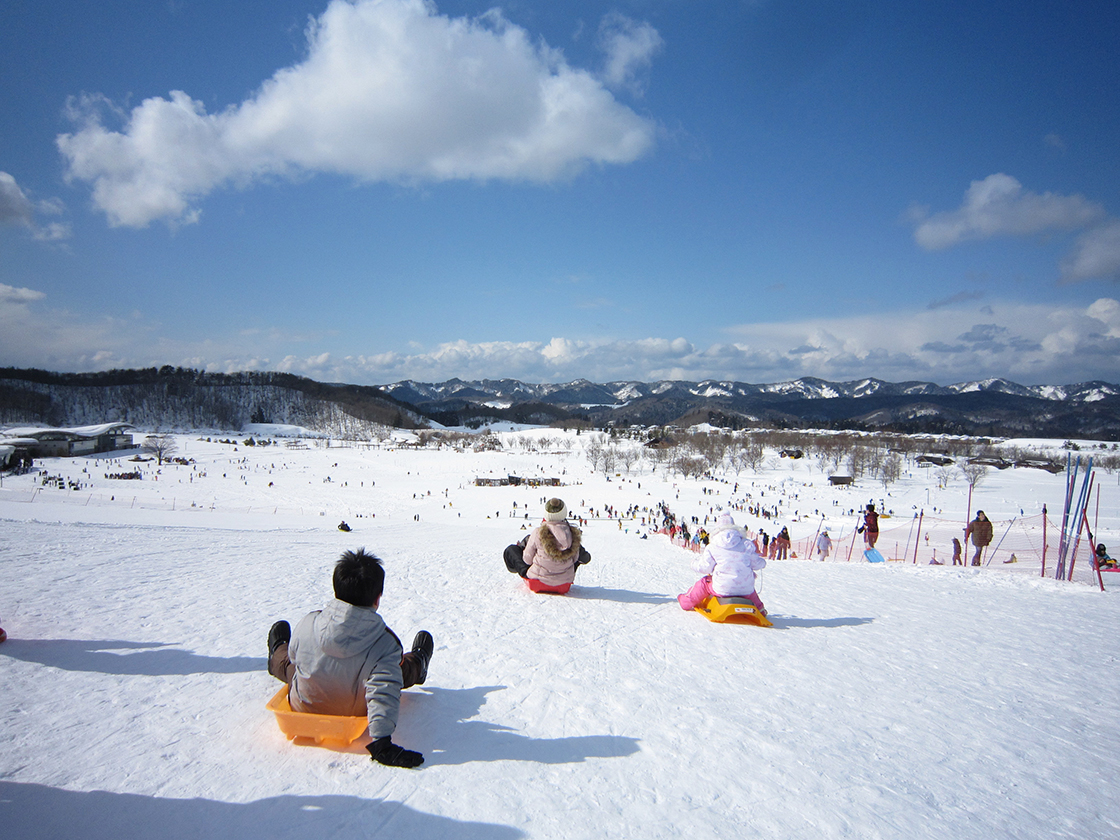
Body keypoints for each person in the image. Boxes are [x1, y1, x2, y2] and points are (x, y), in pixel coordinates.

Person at [266, 548, 433, 769]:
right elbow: (382, 691)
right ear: (377, 598)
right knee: (397, 671)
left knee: (288, 663)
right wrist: (382, 742)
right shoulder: (385, 643)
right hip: (355, 711)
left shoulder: (308, 623)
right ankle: (418, 663)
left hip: (302, 705)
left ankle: (276, 651)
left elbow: (296, 659)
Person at [678, 513, 767, 615]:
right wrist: (762, 563)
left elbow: (705, 567)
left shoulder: (713, 546)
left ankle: (686, 601)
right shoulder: (746, 544)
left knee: (704, 583)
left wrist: (693, 564)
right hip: (745, 589)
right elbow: (757, 563)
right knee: (746, 585)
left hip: (722, 588)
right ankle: (760, 609)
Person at [503, 498, 589, 594]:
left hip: (537, 582)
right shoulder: (573, 534)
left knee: (511, 550)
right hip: (564, 584)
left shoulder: (538, 532)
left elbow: (527, 559)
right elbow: (575, 558)